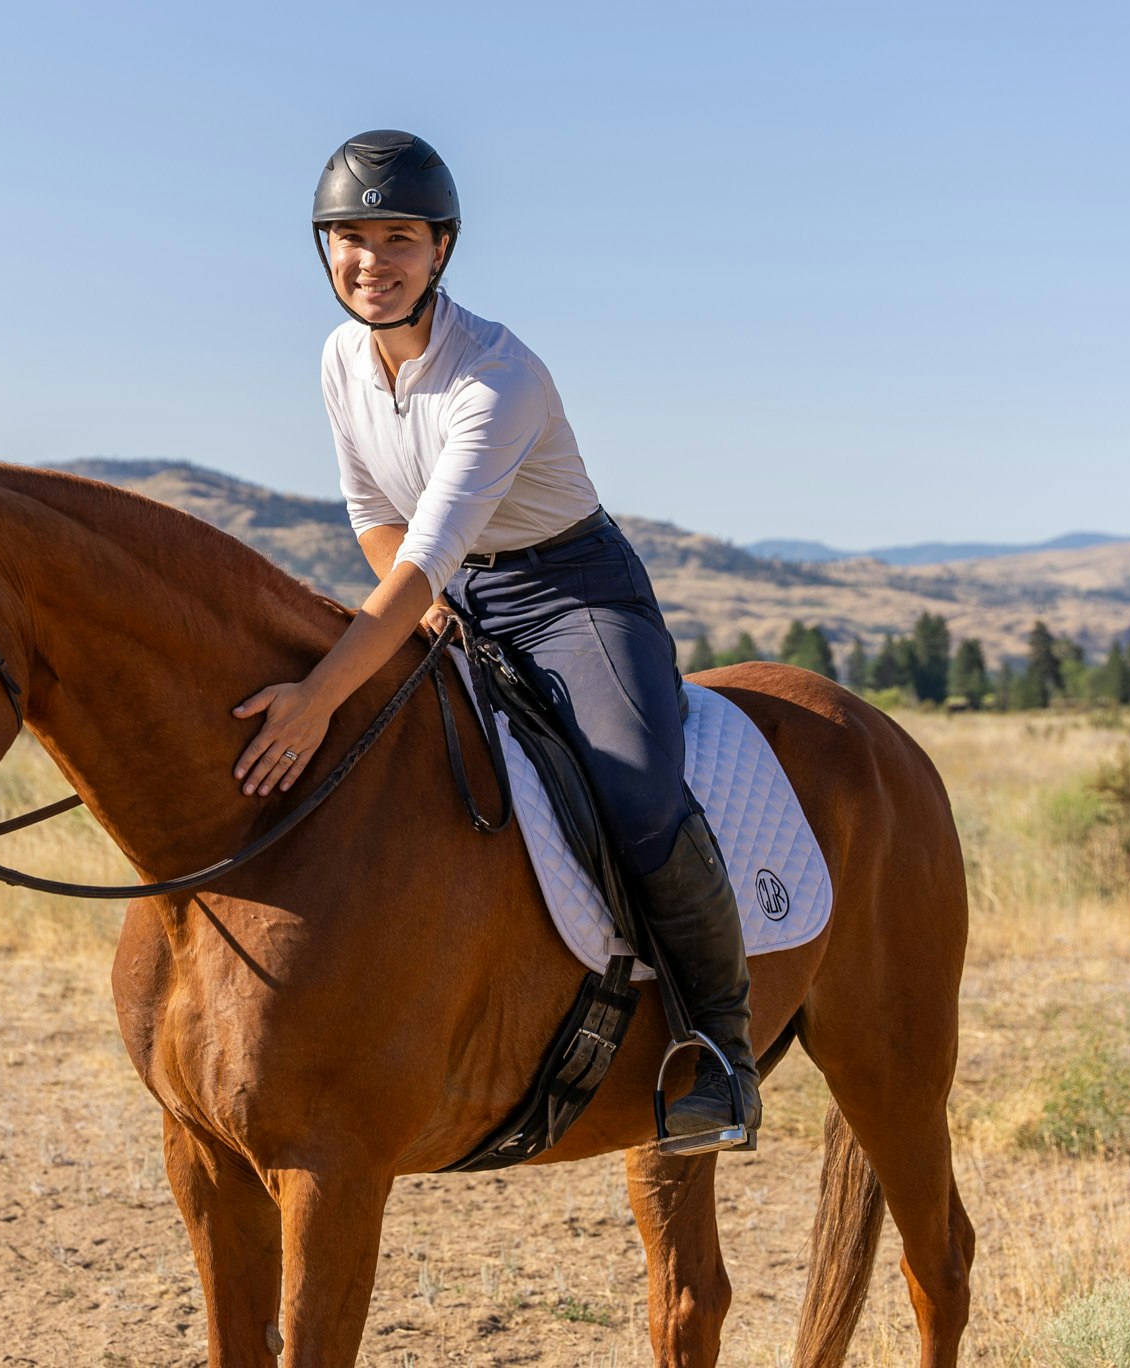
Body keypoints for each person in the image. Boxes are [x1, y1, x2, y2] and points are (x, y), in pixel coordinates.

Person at [231, 129, 759, 1155]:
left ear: (441, 252)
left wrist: (319, 693)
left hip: (571, 593)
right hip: (448, 588)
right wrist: (423, 614)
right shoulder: (340, 359)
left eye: (397, 239)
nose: (370, 262)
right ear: (320, 249)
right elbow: (373, 515)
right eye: (348, 239)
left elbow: (421, 554)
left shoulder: (496, 378)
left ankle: (722, 1052)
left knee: (634, 793)